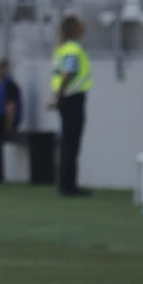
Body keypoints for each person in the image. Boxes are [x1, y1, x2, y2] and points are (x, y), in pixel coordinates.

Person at [48, 16, 93, 197]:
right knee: (71, 143)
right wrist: (58, 96)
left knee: (68, 142)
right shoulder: (73, 48)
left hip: (67, 98)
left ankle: (68, 184)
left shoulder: (62, 48)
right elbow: (68, 72)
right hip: (72, 98)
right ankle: (68, 186)